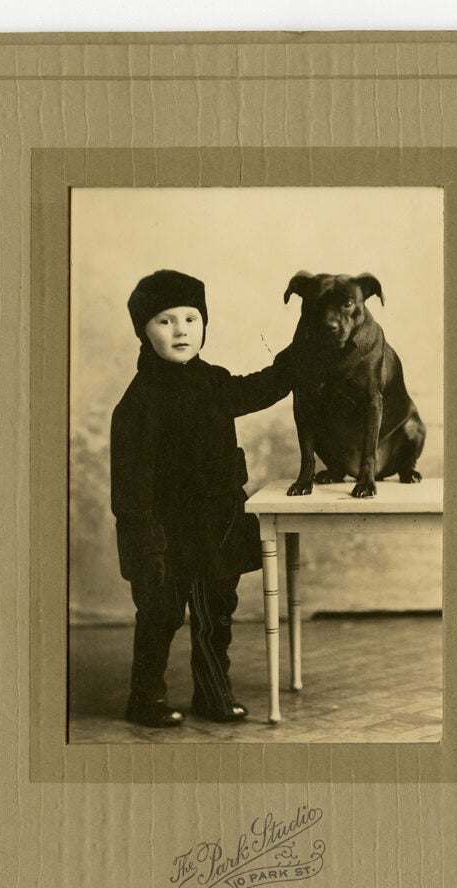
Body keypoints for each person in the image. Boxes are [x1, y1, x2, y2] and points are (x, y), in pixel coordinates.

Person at [110, 269, 294, 728]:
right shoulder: (138, 403)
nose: (181, 330)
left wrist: (302, 354)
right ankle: (145, 697)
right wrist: (147, 543)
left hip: (216, 527)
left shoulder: (213, 382)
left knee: (216, 613)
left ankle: (214, 693)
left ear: (205, 324)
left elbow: (260, 388)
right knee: (160, 615)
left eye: (192, 319)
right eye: (165, 321)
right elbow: (130, 490)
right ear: (143, 329)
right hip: (163, 535)